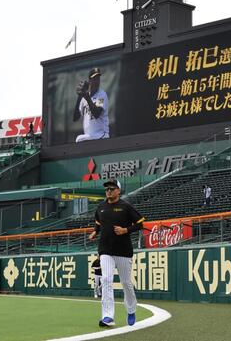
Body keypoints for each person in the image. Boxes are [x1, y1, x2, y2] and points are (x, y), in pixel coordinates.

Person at [88, 178, 145, 327]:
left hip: (123, 251)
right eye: (107, 189)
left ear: (118, 191)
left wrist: (126, 230)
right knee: (106, 279)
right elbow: (98, 223)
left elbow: (140, 224)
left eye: (112, 189)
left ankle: (131, 309)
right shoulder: (101, 207)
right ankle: (108, 316)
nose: (108, 191)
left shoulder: (125, 207)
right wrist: (95, 231)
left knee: (126, 283)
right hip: (105, 249)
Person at [73, 67, 109, 142]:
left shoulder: (101, 94)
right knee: (78, 139)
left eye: (98, 79)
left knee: (79, 139)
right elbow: (75, 118)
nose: (97, 81)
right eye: (94, 79)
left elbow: (96, 114)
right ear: (90, 81)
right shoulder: (84, 97)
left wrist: (87, 98)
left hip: (101, 135)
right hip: (89, 137)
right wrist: (79, 97)